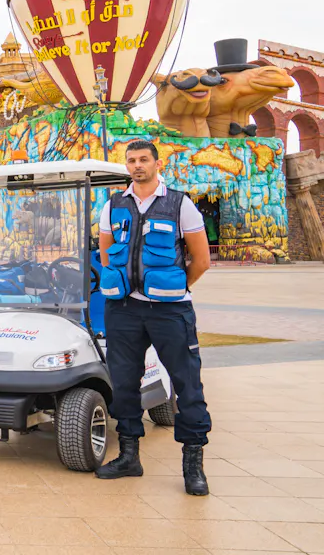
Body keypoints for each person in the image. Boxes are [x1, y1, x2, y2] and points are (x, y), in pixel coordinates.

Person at [96, 140, 212, 496]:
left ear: (157, 164)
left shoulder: (180, 204)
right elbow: (105, 254)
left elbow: (201, 260)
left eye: (143, 159)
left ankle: (193, 466)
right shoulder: (113, 205)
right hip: (123, 309)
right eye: (131, 160)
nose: (137, 165)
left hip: (169, 310)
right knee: (123, 383)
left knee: (187, 384)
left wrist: (173, 288)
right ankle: (129, 456)